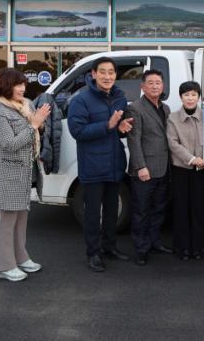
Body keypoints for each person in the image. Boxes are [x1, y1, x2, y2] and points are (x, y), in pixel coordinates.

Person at [68, 57, 134, 272]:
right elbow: (77, 132)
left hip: (115, 164)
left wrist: (121, 127)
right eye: (103, 72)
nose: (107, 76)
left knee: (112, 211)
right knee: (93, 213)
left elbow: (118, 129)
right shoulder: (81, 100)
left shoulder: (119, 97)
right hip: (93, 165)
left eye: (111, 72)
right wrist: (108, 125)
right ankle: (93, 253)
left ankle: (109, 247)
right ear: (94, 74)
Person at [0, 68, 51, 282]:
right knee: (7, 221)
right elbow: (10, 144)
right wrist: (34, 125)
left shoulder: (26, 104)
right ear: (5, 86)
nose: (23, 88)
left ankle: (20, 257)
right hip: (7, 172)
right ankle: (4, 266)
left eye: (23, 84)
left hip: (25, 171)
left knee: (21, 218)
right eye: (17, 84)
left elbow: (35, 131)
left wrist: (39, 124)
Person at [125, 69, 173, 266]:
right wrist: (140, 167)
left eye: (158, 83)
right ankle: (141, 248)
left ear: (163, 86)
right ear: (142, 87)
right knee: (141, 211)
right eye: (150, 83)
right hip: (145, 170)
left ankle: (155, 242)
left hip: (163, 168)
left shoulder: (166, 108)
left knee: (158, 209)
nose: (154, 86)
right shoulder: (135, 108)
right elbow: (133, 140)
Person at [167, 81, 204, 261]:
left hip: (200, 170)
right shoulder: (172, 118)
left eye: (194, 94)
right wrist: (192, 159)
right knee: (181, 208)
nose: (190, 98)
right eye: (186, 95)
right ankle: (182, 247)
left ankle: (197, 248)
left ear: (199, 97)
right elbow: (173, 143)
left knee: (198, 208)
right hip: (181, 169)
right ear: (181, 97)